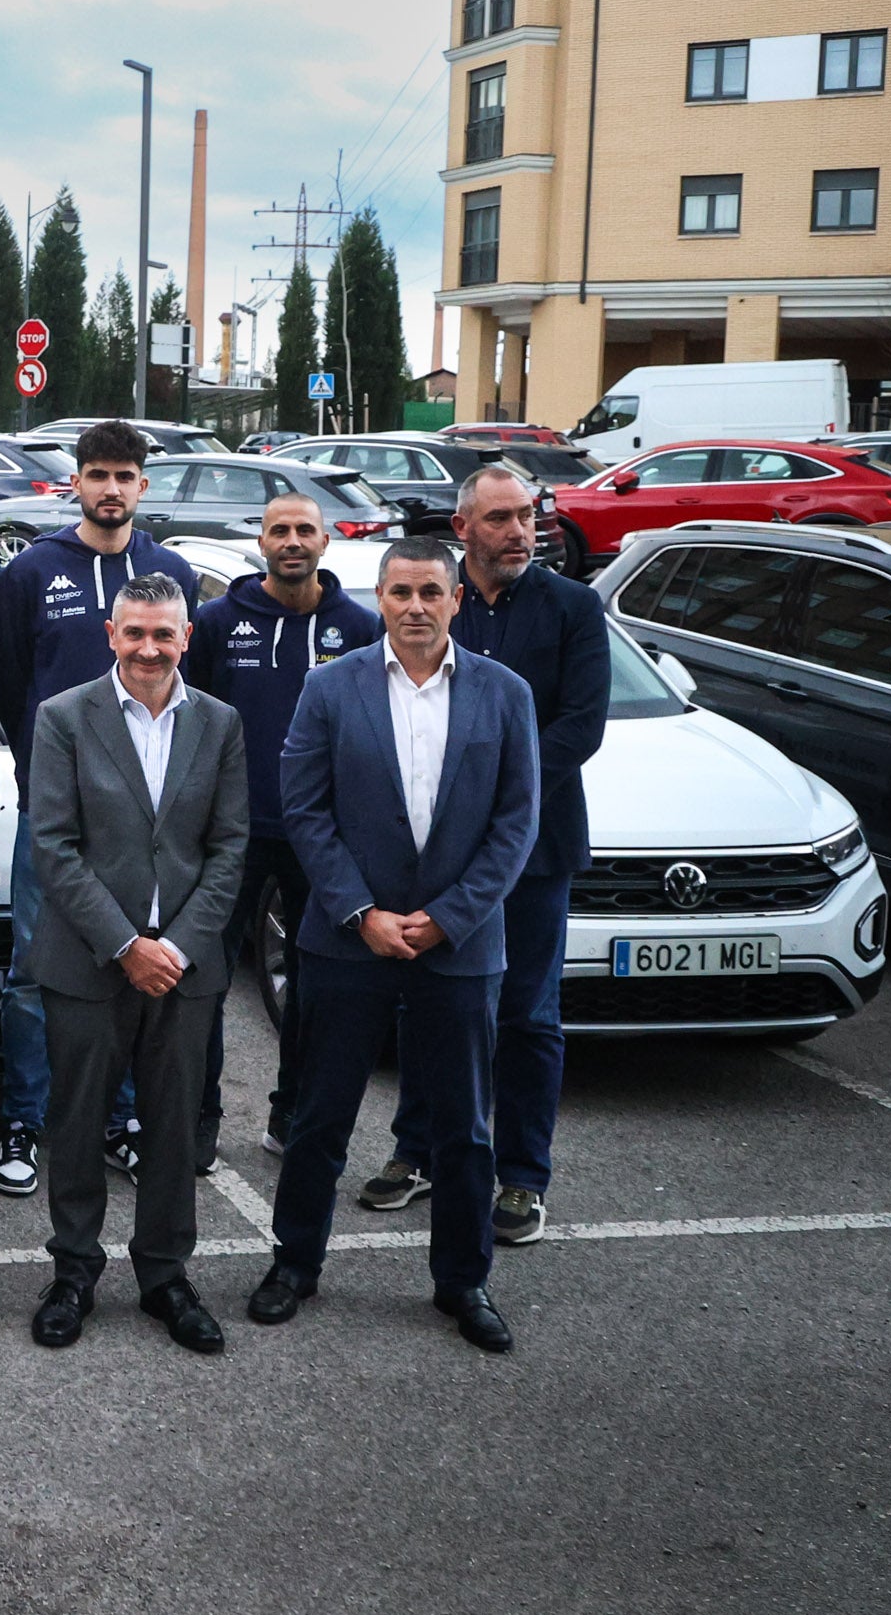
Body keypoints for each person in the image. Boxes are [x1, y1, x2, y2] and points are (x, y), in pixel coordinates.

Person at [252, 537, 539, 1355]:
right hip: (349, 945)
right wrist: (359, 912)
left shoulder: (504, 694)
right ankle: (294, 1265)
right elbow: (304, 810)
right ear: (377, 599)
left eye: (431, 592)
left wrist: (451, 915)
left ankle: (462, 1281)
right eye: (401, 592)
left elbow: (517, 821)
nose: (416, 606)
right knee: (319, 1120)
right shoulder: (329, 688)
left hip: (460, 946)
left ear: (456, 600)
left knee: (463, 1131)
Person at [371, 465, 607, 1244]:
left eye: (528, 516)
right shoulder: (435, 602)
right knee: (429, 1003)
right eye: (502, 518)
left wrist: (498, 787)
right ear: (463, 527)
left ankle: (521, 1178)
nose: (520, 531)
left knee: (528, 1016)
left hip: (534, 852)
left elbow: (581, 727)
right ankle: (419, 1153)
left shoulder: (572, 607)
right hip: (433, 854)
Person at [23, 572, 248, 1355]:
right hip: (90, 962)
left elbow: (228, 848)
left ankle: (165, 1276)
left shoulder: (219, 723)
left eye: (164, 634)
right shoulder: (63, 718)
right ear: (110, 636)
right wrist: (126, 945)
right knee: (79, 1123)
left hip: (186, 967)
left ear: (187, 637)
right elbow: (52, 845)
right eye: (134, 633)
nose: (149, 648)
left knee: (173, 1129)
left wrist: (176, 948)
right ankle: (74, 1273)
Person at [0, 419, 194, 1197]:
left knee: (140, 965)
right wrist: (43, 769)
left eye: (125, 475)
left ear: (143, 485)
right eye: (97, 473)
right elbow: (8, 683)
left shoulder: (170, 572)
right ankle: (23, 1122)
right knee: (35, 973)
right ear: (75, 480)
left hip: (149, 824)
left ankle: (124, 1119)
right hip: (55, 815)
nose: (111, 488)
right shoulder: (33, 572)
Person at [184, 492, 381, 1161]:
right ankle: (198, 1119)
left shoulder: (358, 627)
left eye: (305, 530)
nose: (292, 540)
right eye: (279, 530)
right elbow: (188, 721)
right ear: (260, 542)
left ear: (325, 542)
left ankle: (289, 1115)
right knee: (203, 978)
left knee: (312, 984)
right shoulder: (215, 622)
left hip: (321, 838)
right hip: (229, 832)